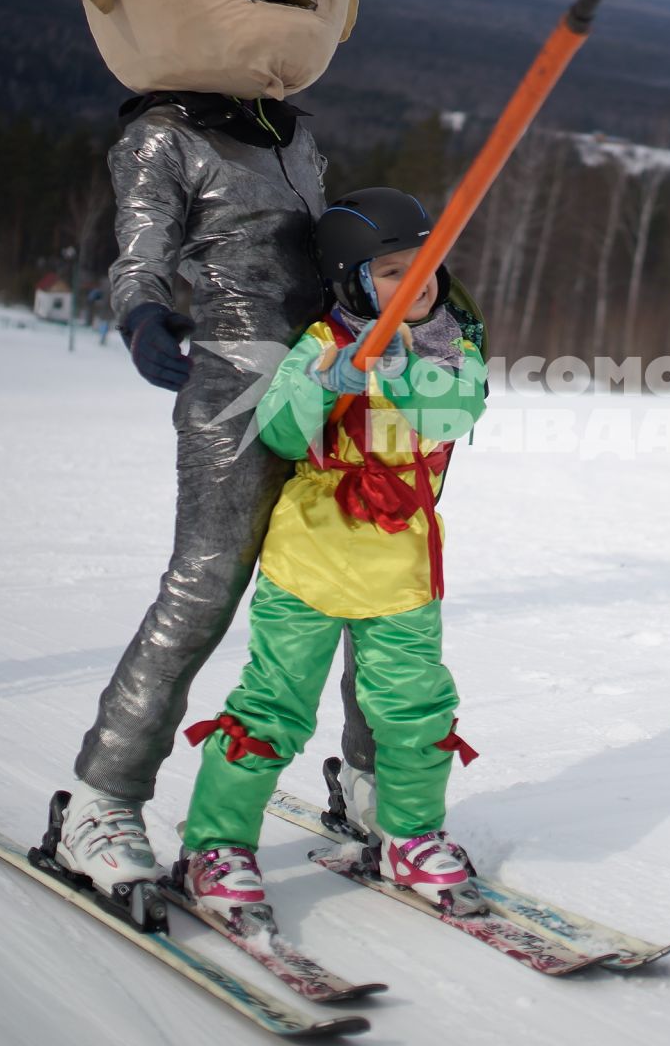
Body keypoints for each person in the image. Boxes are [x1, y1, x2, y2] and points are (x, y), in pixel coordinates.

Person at [44, 0, 378, 900]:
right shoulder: (161, 137)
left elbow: (317, 252)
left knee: (362, 577)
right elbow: (140, 254)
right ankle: (102, 796)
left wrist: (373, 285)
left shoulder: (299, 136)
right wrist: (143, 313)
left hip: (329, 380)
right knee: (206, 586)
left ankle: (376, 787)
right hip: (234, 384)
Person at [178, 187, 488, 920]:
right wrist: (329, 383)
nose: (418, 282)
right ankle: (217, 845)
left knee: (415, 711)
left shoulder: (453, 347)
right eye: (392, 271)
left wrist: (393, 370)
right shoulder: (320, 344)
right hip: (308, 565)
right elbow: (284, 434)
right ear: (351, 278)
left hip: (403, 574)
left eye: (426, 266)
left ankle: (409, 835)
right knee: (273, 707)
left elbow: (453, 411)